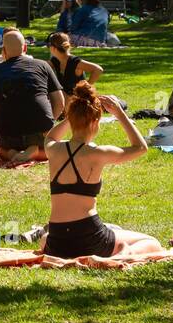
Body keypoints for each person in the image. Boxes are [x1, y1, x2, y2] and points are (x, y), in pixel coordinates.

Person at [37, 83, 163, 260]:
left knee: (44, 238)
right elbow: (141, 147)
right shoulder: (98, 153)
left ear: (71, 119)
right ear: (95, 121)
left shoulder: (53, 149)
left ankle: (112, 253)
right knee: (152, 242)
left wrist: (73, 116)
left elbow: (50, 136)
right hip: (89, 239)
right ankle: (119, 257)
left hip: (58, 241)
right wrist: (120, 114)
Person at [0, 29, 66, 164]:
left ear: (3, 51)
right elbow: (60, 102)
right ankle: (35, 151)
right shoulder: (43, 66)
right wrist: (49, 125)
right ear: (25, 48)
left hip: (10, 136)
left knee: (1, 149)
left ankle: (11, 154)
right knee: (54, 148)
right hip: (40, 132)